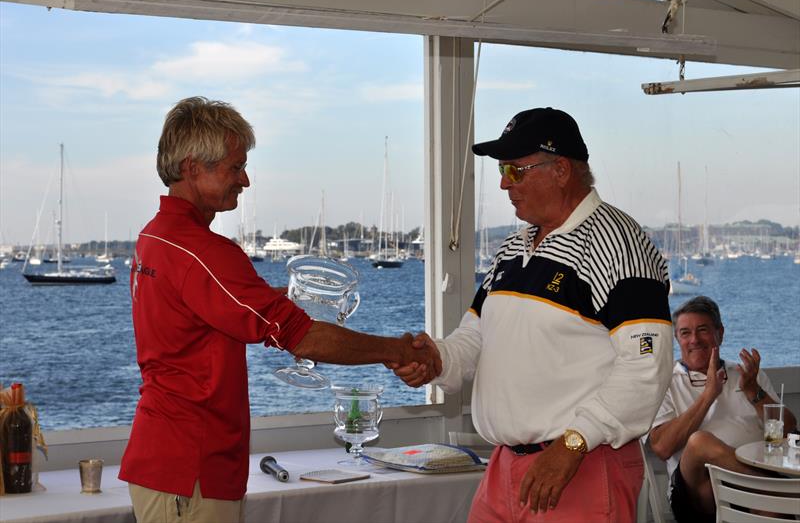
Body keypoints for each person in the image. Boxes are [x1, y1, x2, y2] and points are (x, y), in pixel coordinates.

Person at [118, 96, 438, 523]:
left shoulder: (155, 238)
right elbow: (302, 336)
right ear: (194, 167)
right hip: (191, 465)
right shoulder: (203, 251)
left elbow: (219, 307)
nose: (245, 180)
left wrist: (288, 299)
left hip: (166, 456)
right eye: (235, 167)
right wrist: (396, 351)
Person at [393, 107, 673, 522]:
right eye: (502, 170)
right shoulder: (513, 249)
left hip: (580, 465)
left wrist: (573, 445)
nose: (505, 183)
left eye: (515, 170)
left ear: (561, 169)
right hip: (505, 468)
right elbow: (475, 336)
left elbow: (646, 367)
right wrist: (436, 359)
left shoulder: (619, 245)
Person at [647, 295, 797, 523]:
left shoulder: (746, 375)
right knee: (699, 442)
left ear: (720, 333)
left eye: (703, 330)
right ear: (677, 338)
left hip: (752, 495)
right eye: (685, 333)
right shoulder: (665, 381)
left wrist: (753, 392)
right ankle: (770, 486)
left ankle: (767, 490)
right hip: (699, 493)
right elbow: (662, 447)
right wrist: (708, 395)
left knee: (770, 509)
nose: (694, 339)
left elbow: (789, 430)